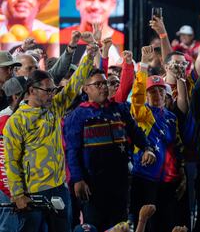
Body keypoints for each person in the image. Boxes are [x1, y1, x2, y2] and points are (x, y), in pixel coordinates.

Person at [2, 41, 98, 232]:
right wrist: (18, 194)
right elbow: (11, 161)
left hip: (59, 188)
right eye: (48, 90)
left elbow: (73, 86)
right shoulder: (15, 121)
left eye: (54, 90)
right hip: (32, 192)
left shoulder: (54, 108)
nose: (52, 95)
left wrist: (88, 56)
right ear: (31, 91)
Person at [64, 68, 155, 232]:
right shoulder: (77, 115)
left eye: (105, 83)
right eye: (97, 84)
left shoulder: (120, 109)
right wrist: (78, 179)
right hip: (92, 186)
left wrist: (147, 148)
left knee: (121, 227)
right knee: (94, 227)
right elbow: (72, 150)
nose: (103, 87)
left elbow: (136, 132)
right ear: (86, 89)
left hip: (120, 182)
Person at [129, 45, 185, 232]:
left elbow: (177, 148)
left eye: (161, 91)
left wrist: (182, 173)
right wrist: (143, 64)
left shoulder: (171, 118)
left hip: (167, 182)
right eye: (152, 91)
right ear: (146, 94)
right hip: (144, 178)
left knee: (165, 224)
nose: (157, 95)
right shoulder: (142, 113)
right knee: (144, 224)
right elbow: (136, 97)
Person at [0, 76, 26, 232]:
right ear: (16, 97)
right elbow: (4, 160)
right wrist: (13, 192)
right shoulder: (5, 120)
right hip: (7, 190)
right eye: (27, 94)